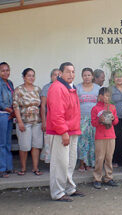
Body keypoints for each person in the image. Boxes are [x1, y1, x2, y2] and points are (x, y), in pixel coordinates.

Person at [46, 62, 84, 202]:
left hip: (72, 130)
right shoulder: (57, 88)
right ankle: (57, 193)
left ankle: (69, 188)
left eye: (73, 71)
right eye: (68, 71)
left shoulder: (70, 87)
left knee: (69, 162)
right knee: (60, 163)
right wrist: (63, 132)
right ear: (60, 73)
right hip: (61, 132)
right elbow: (56, 114)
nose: (71, 74)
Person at [13, 68, 43, 176]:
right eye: (29, 75)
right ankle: (23, 168)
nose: (31, 78)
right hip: (24, 122)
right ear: (24, 77)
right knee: (24, 146)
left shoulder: (37, 89)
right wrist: (20, 122)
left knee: (36, 146)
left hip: (37, 122)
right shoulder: (19, 90)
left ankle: (35, 168)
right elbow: (15, 106)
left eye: (33, 75)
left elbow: (41, 105)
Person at [91, 87, 119, 189]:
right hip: (100, 136)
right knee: (99, 158)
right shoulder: (95, 108)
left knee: (109, 157)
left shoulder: (112, 107)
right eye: (106, 96)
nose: (108, 98)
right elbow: (93, 123)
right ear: (100, 97)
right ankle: (97, 178)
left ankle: (108, 177)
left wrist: (113, 118)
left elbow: (116, 122)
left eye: (109, 96)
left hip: (111, 135)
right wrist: (100, 120)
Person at [0, 62, 14, 178]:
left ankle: (7, 167)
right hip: (1, 116)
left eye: (7, 70)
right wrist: (11, 111)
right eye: (3, 70)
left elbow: (13, 99)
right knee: (1, 143)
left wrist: (12, 111)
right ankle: (0, 169)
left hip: (9, 116)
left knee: (7, 142)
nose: (6, 72)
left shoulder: (9, 83)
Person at [76, 68, 100, 172]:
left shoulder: (98, 88)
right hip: (81, 119)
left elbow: (100, 103)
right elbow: (74, 104)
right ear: (82, 76)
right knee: (82, 141)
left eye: (89, 75)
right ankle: (82, 163)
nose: (87, 77)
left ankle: (91, 163)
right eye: (85, 75)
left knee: (93, 141)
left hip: (95, 119)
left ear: (92, 76)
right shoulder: (77, 88)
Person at [40, 68, 61, 163]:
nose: (57, 77)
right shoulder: (46, 88)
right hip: (49, 119)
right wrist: (44, 122)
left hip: (61, 120)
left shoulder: (64, 87)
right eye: (54, 75)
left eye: (58, 74)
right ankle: (51, 163)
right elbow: (43, 106)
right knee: (49, 142)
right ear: (51, 77)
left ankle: (58, 162)